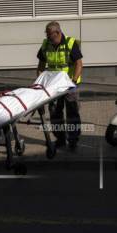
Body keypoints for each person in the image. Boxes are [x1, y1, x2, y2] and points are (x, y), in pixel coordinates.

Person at [37, 21, 83, 150]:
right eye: (46, 34)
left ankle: (73, 140)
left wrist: (73, 82)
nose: (47, 37)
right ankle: (60, 139)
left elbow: (79, 64)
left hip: (70, 85)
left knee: (72, 113)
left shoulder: (70, 43)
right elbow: (40, 67)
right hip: (53, 86)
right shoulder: (46, 44)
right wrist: (40, 83)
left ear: (57, 33)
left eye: (49, 34)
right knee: (54, 113)